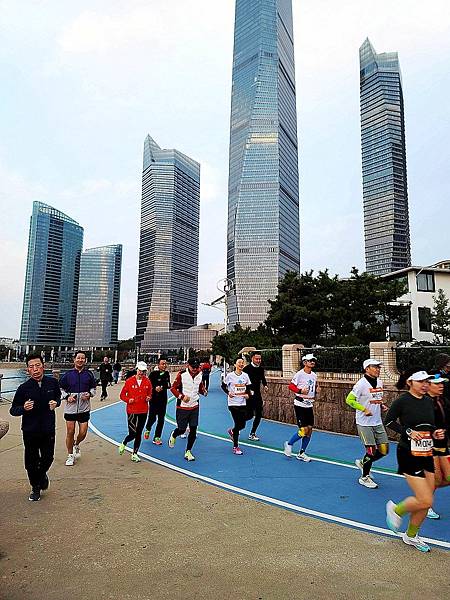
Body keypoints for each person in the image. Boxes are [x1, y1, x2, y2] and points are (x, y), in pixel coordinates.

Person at [385, 369, 445, 553]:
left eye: (427, 381)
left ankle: (411, 536)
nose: (425, 384)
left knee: (427, 502)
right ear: (410, 382)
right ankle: (397, 510)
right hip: (408, 453)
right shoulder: (402, 401)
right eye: (420, 381)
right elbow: (389, 421)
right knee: (425, 499)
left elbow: (429, 424)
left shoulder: (428, 401)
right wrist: (409, 432)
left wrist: (435, 433)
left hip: (426, 452)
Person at [9, 353, 61, 501]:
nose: (35, 369)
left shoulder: (52, 383)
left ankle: (41, 474)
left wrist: (56, 403)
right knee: (31, 462)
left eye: (38, 365)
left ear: (43, 367)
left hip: (48, 428)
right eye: (31, 367)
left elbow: (58, 397)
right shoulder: (23, 388)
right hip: (30, 430)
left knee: (47, 458)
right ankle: (35, 487)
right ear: (27, 370)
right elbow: (13, 410)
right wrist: (23, 408)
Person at [345, 359, 389, 489]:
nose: (378, 369)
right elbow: (349, 400)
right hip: (364, 423)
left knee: (384, 450)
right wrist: (364, 409)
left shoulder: (379, 382)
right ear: (367, 369)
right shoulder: (361, 384)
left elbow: (375, 397)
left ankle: (364, 463)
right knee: (371, 451)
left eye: (379, 367)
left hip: (377, 421)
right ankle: (364, 477)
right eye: (375, 367)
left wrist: (381, 405)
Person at [59, 351, 97, 466]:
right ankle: (70, 455)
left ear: (85, 360)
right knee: (70, 432)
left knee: (83, 432)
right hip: (70, 408)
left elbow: (94, 389)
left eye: (83, 358)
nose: (80, 360)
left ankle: (76, 444)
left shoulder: (89, 375)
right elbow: (60, 389)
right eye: (78, 358)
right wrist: (67, 397)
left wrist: (89, 394)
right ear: (74, 359)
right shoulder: (67, 375)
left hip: (84, 408)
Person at [168, 357, 208, 461]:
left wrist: (203, 391)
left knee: (193, 429)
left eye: (196, 367)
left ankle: (188, 451)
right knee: (182, 429)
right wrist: (181, 396)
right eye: (192, 367)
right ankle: (174, 434)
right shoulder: (182, 375)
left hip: (195, 405)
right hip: (183, 406)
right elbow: (173, 388)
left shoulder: (200, 374)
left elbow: (200, 386)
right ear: (188, 365)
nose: (195, 369)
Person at [283, 354, 319, 462]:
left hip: (309, 404)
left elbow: (313, 387)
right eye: (310, 360)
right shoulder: (299, 374)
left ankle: (302, 453)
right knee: (304, 430)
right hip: (300, 404)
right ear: (304, 362)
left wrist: (317, 390)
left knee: (310, 430)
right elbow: (291, 386)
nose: (312, 362)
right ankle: (289, 444)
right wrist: (300, 391)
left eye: (313, 360)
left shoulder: (314, 375)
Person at [425, 371, 450, 519]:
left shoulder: (443, 401)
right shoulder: (423, 403)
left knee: (446, 478)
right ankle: (425, 503)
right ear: (428, 385)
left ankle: (423, 494)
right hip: (429, 447)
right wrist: (432, 432)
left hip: (442, 445)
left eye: (442, 383)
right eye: (437, 384)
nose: (441, 386)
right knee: (436, 479)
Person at [118, 362, 152, 462]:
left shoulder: (147, 381)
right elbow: (122, 395)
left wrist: (149, 397)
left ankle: (135, 453)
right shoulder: (129, 381)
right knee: (133, 433)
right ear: (136, 370)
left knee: (139, 433)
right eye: (140, 370)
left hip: (143, 410)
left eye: (143, 371)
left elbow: (150, 393)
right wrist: (128, 400)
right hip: (132, 410)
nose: (141, 372)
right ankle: (124, 442)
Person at [222, 357, 252, 455]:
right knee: (238, 424)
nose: (241, 364)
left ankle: (232, 431)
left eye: (242, 363)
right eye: (239, 363)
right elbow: (223, 385)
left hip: (242, 402)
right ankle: (236, 446)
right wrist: (228, 392)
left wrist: (248, 395)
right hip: (233, 403)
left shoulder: (245, 376)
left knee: (242, 425)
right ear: (235, 365)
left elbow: (248, 388)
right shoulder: (230, 376)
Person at [144, 357, 171, 445]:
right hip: (154, 399)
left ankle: (157, 437)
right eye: (162, 364)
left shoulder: (167, 374)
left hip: (163, 399)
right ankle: (148, 428)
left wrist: (162, 387)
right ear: (158, 365)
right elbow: (148, 384)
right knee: (152, 418)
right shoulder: (153, 374)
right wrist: (155, 388)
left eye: (165, 363)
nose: (164, 365)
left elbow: (168, 385)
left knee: (161, 419)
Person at [243, 351, 268, 441]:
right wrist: (246, 392)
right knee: (249, 415)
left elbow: (263, 378)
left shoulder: (261, 369)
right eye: (257, 359)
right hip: (249, 395)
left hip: (257, 394)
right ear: (252, 358)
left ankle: (252, 433)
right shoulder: (246, 369)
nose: (258, 360)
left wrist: (265, 385)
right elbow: (242, 381)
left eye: (260, 359)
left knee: (259, 414)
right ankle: (237, 428)